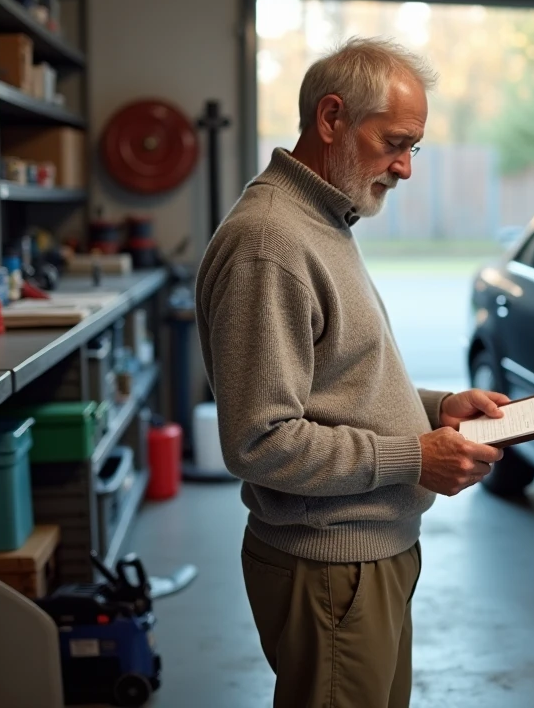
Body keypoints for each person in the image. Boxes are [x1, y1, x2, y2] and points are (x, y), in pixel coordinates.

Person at [195, 36, 508, 707]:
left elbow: (337, 384)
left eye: (414, 148)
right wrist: (413, 457)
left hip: (370, 556)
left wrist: (438, 408)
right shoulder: (270, 242)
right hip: (331, 568)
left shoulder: (322, 221)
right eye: (395, 142)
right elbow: (260, 440)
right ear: (332, 118)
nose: (406, 168)